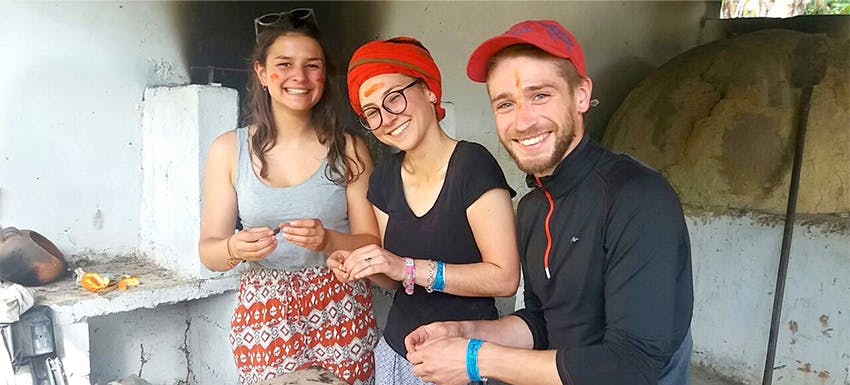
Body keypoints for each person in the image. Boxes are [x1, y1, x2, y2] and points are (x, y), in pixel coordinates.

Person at [405, 20, 694, 385]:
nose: (523, 121)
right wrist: (467, 331)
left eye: (540, 95)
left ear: (581, 96)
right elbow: (545, 321)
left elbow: (632, 364)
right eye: (506, 104)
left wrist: (477, 359)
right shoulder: (533, 208)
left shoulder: (639, 197)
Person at [197, 9, 379, 385]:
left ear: (324, 76)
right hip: (264, 307)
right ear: (263, 73)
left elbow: (372, 244)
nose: (300, 77)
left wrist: (329, 240)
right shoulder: (228, 150)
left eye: (312, 66)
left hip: (341, 302)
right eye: (285, 64)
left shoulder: (350, 149)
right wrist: (235, 246)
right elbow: (210, 252)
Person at [328, 37, 521, 385]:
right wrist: (367, 264)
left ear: (429, 90)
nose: (387, 118)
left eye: (394, 98)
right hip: (400, 354)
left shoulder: (472, 165)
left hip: (463, 358)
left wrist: (406, 267)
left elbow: (504, 278)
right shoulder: (385, 176)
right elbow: (394, 278)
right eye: (372, 112)